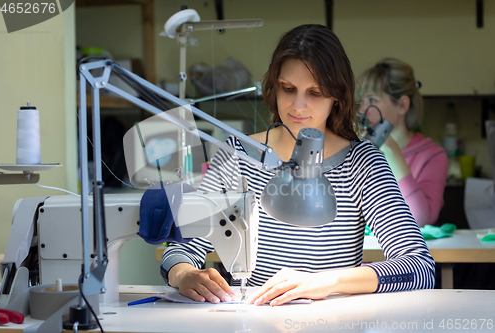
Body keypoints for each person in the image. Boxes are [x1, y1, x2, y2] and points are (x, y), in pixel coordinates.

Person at [161, 25, 435, 306]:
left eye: (315, 92)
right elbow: (181, 249)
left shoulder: (362, 163)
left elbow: (419, 268)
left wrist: (326, 281)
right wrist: (183, 275)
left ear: (336, 96)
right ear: (274, 87)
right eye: (288, 89)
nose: (298, 106)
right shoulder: (237, 155)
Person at [357, 58, 448, 227]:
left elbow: (420, 219)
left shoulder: (433, 156)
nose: (362, 110)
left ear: (402, 105)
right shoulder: (357, 151)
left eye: (372, 101)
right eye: (361, 101)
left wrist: (391, 151)